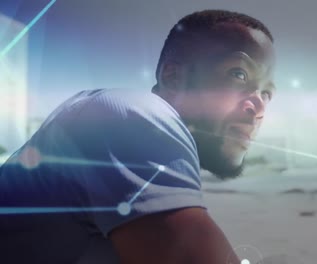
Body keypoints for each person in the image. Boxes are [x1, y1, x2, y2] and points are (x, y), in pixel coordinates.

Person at [0, 9, 276, 264]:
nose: (260, 106)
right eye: (238, 74)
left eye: (266, 92)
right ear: (173, 77)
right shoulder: (135, 115)